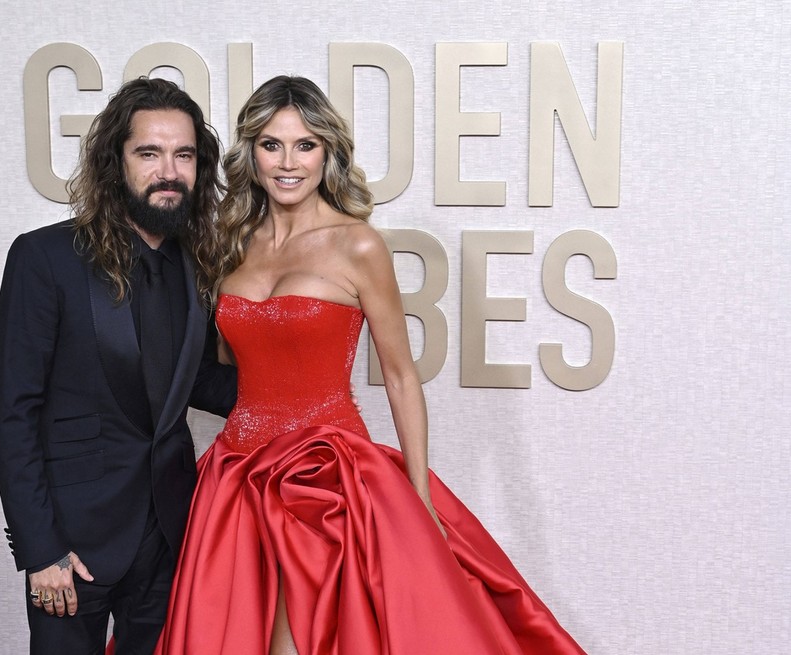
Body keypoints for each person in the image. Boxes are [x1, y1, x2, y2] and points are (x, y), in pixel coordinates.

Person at [154, 75, 587, 654]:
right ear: (250, 152)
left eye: (305, 145)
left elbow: (402, 375)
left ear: (327, 153)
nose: (288, 162)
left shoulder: (358, 245)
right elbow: (233, 371)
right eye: (272, 144)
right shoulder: (229, 245)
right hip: (238, 477)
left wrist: (419, 497)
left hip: (325, 480)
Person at [0, 77, 237, 654]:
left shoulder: (197, 265)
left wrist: (293, 393)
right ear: (115, 162)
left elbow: (191, 381)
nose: (168, 171)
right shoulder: (44, 257)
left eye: (184, 155)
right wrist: (40, 548)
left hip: (170, 533)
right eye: (148, 153)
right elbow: (11, 413)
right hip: (71, 546)